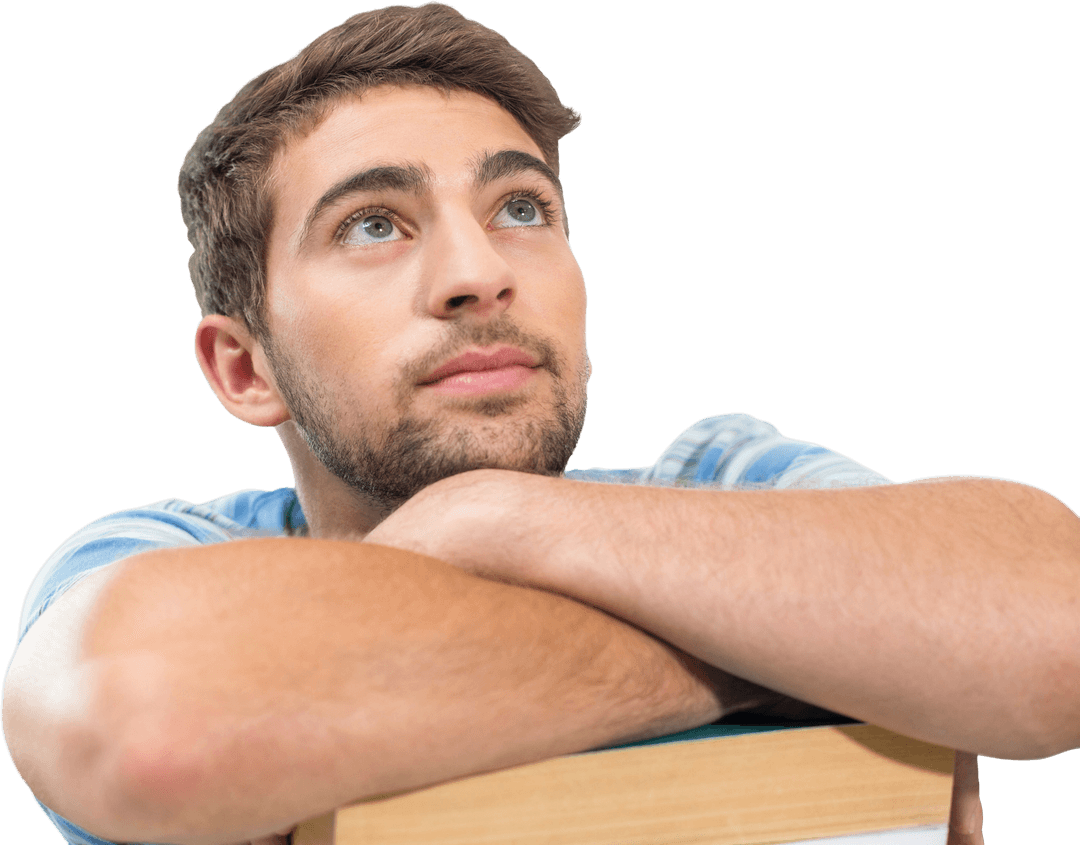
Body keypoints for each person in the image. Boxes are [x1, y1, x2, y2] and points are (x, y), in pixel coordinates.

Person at [2, 4, 1077, 844]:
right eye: (373, 224)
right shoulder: (168, 563)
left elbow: (1057, 626)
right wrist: (814, 652)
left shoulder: (720, 475)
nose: (478, 273)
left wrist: (499, 518)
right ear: (244, 367)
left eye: (521, 208)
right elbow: (152, 726)